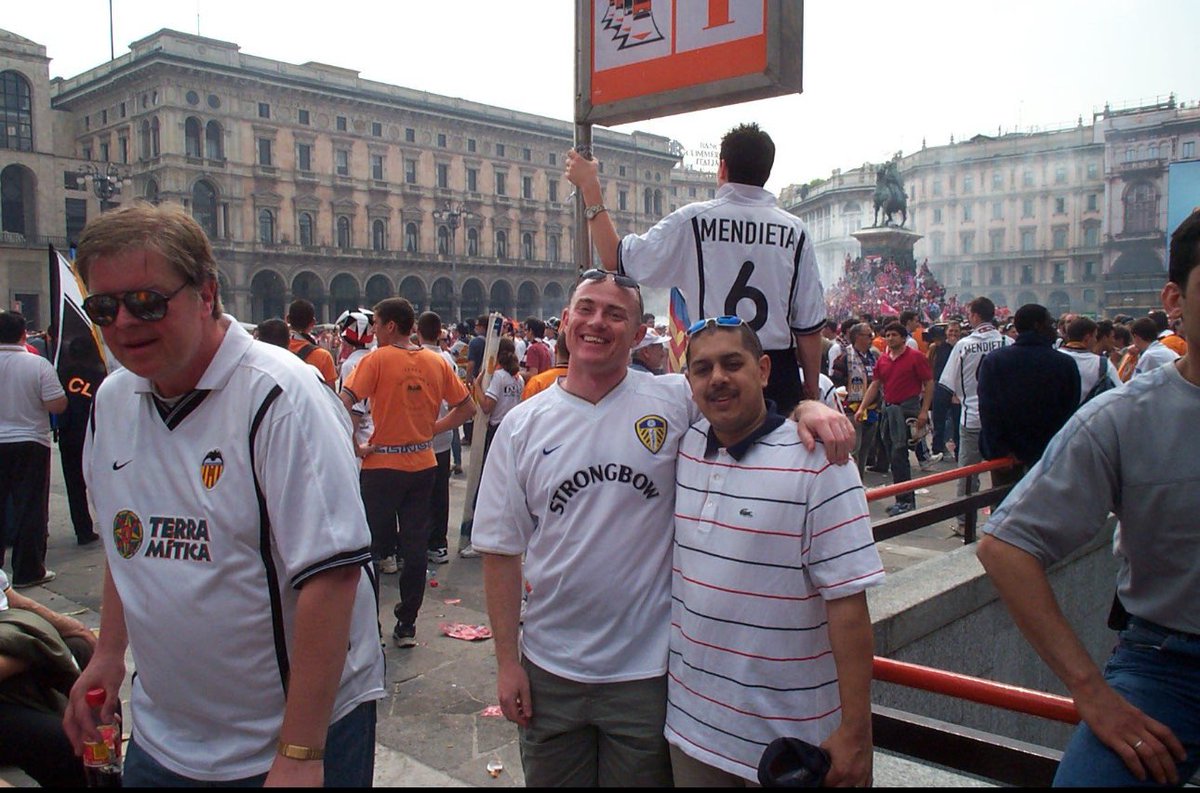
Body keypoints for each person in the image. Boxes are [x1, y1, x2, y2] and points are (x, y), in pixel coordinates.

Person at [472, 270, 854, 787]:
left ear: (637, 334)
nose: (597, 323)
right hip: (548, 668)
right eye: (586, 309)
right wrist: (505, 662)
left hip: (647, 675)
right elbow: (500, 551)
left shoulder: (674, 400)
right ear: (565, 322)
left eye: (615, 314)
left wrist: (806, 410)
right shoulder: (521, 425)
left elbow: (741, 408)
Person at [65, 202, 385, 787]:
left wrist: (301, 750)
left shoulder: (281, 397)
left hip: (284, 740)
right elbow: (126, 539)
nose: (125, 324)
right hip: (163, 737)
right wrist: (109, 654)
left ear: (207, 292)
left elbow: (333, 578)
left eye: (147, 302)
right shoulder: (113, 400)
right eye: (104, 308)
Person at [976, 210, 1200, 787]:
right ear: (1174, 297)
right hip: (1169, 666)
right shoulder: (1125, 415)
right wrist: (1089, 692)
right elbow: (1005, 545)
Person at [668, 319, 881, 786]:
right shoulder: (683, 450)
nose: (717, 378)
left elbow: (848, 607)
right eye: (702, 369)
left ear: (763, 370)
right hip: (690, 731)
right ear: (689, 384)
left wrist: (857, 734)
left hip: (792, 748)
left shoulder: (820, 462)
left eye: (732, 363)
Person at [565, 123, 826, 414]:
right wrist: (811, 390)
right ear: (766, 173)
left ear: (722, 168)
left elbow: (616, 258)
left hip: (713, 367)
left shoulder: (694, 219)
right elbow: (808, 326)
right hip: (778, 373)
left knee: (710, 453)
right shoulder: (795, 230)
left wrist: (590, 188)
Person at [341, 298, 474, 648]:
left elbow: (344, 400)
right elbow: (467, 406)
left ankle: (368, 623)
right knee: (415, 546)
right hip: (422, 464)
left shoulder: (377, 359)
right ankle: (407, 624)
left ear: (389, 326)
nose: (373, 331)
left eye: (376, 324)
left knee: (370, 546)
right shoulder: (435, 362)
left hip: (381, 466)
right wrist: (434, 428)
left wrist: (355, 443)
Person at [0, 567, 95, 787]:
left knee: (83, 652)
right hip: (13, 662)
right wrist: (33, 654)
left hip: (14, 640)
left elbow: (9, 596)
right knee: (66, 745)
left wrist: (75, 628)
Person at [977, 304, 1080, 485]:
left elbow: (989, 410)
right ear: (1038, 325)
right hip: (1049, 455)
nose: (1053, 328)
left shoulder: (995, 361)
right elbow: (1070, 411)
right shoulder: (1064, 364)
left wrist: (997, 450)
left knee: (1006, 506)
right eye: (1049, 323)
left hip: (1008, 457)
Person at [0, 311, 68, 588]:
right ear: (23, 334)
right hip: (30, 442)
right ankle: (28, 570)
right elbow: (57, 404)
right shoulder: (38, 365)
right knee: (30, 506)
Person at [939, 297, 1011, 532]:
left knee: (968, 474)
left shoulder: (963, 345)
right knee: (1003, 471)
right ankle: (1003, 522)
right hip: (1001, 419)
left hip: (971, 417)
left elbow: (948, 384)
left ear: (976, 316)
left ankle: (964, 523)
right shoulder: (1007, 342)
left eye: (970, 314)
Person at [855, 321, 936, 516]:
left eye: (894, 335)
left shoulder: (915, 357)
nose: (890, 338)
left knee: (900, 455)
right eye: (887, 335)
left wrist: (924, 411)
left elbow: (929, 382)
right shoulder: (883, 359)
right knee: (892, 454)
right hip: (888, 408)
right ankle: (902, 498)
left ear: (903, 337)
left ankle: (906, 500)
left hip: (907, 408)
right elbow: (875, 385)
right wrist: (862, 408)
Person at [417, 311, 459, 567]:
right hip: (443, 434)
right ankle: (439, 544)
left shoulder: (416, 359)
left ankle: (417, 544)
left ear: (419, 333)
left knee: (418, 495)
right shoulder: (448, 360)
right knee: (440, 492)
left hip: (419, 437)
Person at [832, 322, 881, 477]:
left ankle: (860, 481)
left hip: (872, 409)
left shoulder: (873, 356)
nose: (871, 338)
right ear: (857, 337)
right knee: (854, 450)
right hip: (852, 410)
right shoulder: (845, 357)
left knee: (865, 450)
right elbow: (836, 383)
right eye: (868, 335)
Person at [1058, 316, 1121, 404]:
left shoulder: (1054, 359)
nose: (1096, 340)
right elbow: (1119, 392)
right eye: (1095, 336)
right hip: (1089, 415)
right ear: (1087, 338)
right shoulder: (1102, 364)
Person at [286, 298, 338, 387]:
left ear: (287, 319)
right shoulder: (323, 356)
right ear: (313, 322)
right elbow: (330, 395)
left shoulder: (277, 350)